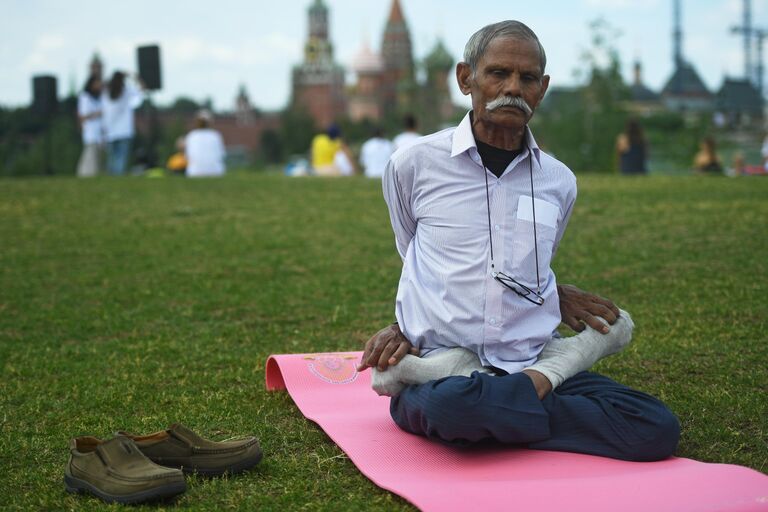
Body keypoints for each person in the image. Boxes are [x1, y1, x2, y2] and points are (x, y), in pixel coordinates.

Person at [357, 20, 680, 462]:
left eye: (528, 78)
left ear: (542, 89)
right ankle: (522, 399)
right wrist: (405, 325)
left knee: (655, 426)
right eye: (498, 73)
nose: (514, 87)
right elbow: (412, 252)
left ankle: (513, 401)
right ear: (465, 78)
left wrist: (551, 296)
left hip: (528, 354)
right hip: (445, 362)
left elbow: (532, 263)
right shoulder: (414, 165)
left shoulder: (558, 181)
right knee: (452, 406)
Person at [102, 71, 144, 175]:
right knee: (120, 158)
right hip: (124, 131)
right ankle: (117, 178)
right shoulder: (127, 92)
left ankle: (112, 180)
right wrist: (134, 76)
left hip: (110, 131)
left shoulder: (106, 93)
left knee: (111, 159)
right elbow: (141, 90)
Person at [76, 75, 105, 177]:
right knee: (90, 156)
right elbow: (82, 116)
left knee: (98, 158)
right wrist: (97, 114)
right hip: (90, 132)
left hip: (100, 133)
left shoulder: (101, 97)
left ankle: (94, 174)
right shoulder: (85, 97)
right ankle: (85, 174)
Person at [185, 110, 226, 178]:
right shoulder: (215, 135)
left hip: (194, 172)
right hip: (216, 172)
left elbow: (187, 156)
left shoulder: (191, 136)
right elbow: (222, 155)